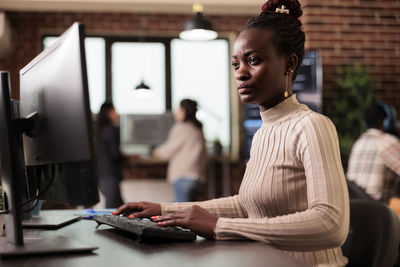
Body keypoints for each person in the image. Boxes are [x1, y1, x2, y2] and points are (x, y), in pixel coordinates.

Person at [114, 0, 350, 265]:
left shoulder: (311, 125)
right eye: (236, 64)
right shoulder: (263, 134)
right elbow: (246, 206)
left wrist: (219, 226)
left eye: (253, 60)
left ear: (289, 64)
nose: (240, 73)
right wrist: (164, 210)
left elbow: (331, 224)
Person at [152, 99, 207, 202]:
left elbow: (168, 151)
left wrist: (155, 152)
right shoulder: (198, 128)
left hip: (184, 178)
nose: (176, 113)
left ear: (184, 111)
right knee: (188, 212)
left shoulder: (182, 127)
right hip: (197, 177)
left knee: (180, 213)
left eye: (178, 110)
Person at [347, 101, 400, 204]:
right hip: (377, 210)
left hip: (353, 208)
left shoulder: (359, 142)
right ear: (386, 122)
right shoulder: (387, 142)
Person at [96, 101, 126, 208]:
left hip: (101, 174)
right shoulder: (110, 129)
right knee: (112, 210)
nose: (117, 114)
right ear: (109, 112)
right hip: (110, 175)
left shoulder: (99, 130)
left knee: (120, 207)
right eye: (114, 110)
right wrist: (126, 157)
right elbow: (115, 154)